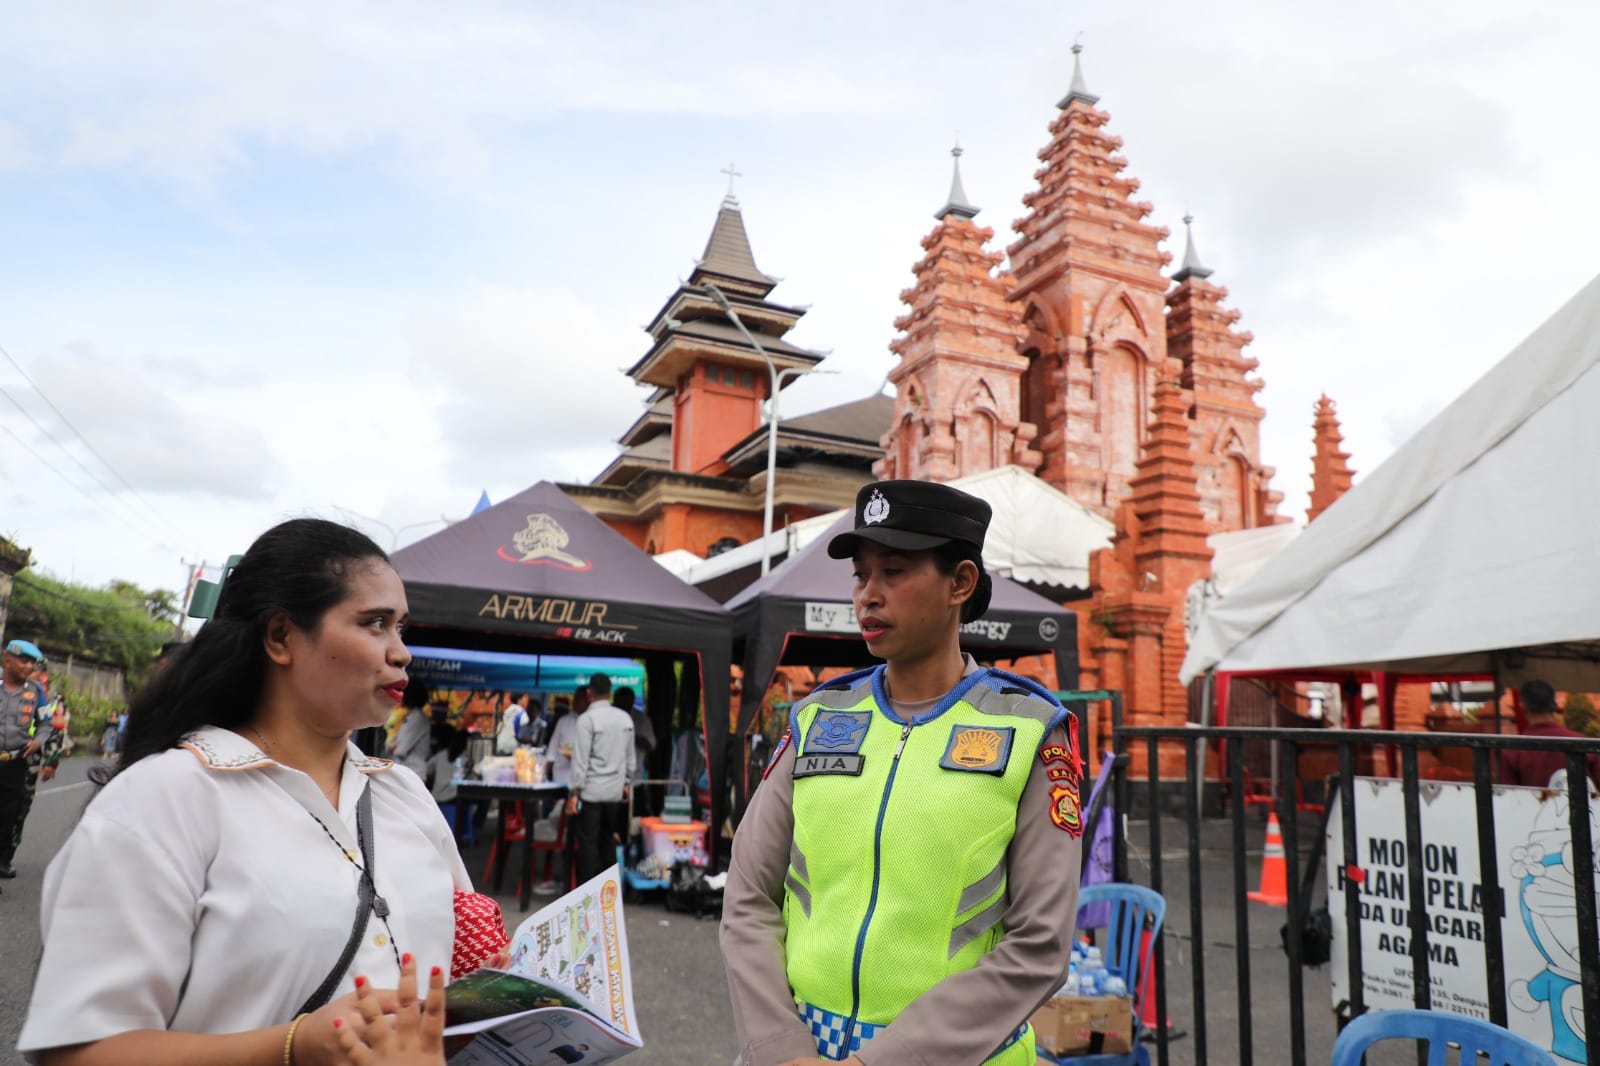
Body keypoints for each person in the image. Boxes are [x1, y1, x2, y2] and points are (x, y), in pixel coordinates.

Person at [19, 518, 472, 1064]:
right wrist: (296, 1045)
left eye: (400, 628)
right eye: (374, 624)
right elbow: (77, 1051)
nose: (401, 653)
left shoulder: (404, 794)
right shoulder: (164, 798)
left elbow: (454, 969)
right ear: (280, 636)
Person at [720, 480, 1083, 1065]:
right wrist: (781, 1048)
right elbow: (748, 896)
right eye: (861, 575)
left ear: (960, 583)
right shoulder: (818, 718)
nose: (868, 595)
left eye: (893, 571)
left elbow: (1040, 945)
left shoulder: (1029, 731)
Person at [565, 673, 633, 884]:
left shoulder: (587, 719)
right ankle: (610, 891)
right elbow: (630, 758)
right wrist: (627, 782)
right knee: (608, 839)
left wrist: (574, 792)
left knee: (587, 843)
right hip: (614, 791)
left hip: (592, 791)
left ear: (589, 693)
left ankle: (587, 890)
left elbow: (581, 760)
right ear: (610, 693)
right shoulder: (625, 718)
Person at [0, 638, 50, 879]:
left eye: (32, 662)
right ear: (7, 659)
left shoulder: (36, 692)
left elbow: (46, 722)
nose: (29, 666)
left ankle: (2, 860)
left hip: (15, 762)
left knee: (8, 816)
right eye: (24, 661)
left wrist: (38, 740)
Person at [1501, 679, 1600, 789]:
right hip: (1580, 800)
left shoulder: (1513, 750)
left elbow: (1508, 794)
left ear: (1522, 705)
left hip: (1532, 800)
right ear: (1554, 704)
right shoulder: (1584, 744)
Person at [13, 671, 67, 859]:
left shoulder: (49, 699)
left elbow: (55, 731)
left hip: (28, 761)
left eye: (33, 667)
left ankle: (5, 855)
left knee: (19, 807)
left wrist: (51, 761)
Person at [388, 684, 433, 780]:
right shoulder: (413, 716)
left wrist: (392, 747)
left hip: (412, 771)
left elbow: (400, 750)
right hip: (410, 771)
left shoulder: (416, 717)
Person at [615, 685, 655, 784]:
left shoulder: (642, 719)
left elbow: (650, 745)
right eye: (620, 704)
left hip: (634, 778)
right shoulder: (606, 716)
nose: (623, 707)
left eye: (626, 703)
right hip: (608, 777)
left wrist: (630, 736)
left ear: (632, 702)